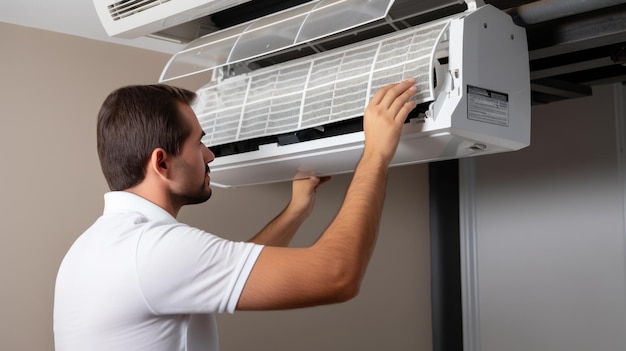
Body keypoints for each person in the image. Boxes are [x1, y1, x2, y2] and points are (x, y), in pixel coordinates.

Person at [53, 78, 417, 351]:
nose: (209, 155)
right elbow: (338, 276)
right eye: (198, 143)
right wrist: (376, 155)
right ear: (161, 162)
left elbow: (232, 273)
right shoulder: (152, 250)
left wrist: (296, 210)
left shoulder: (94, 248)